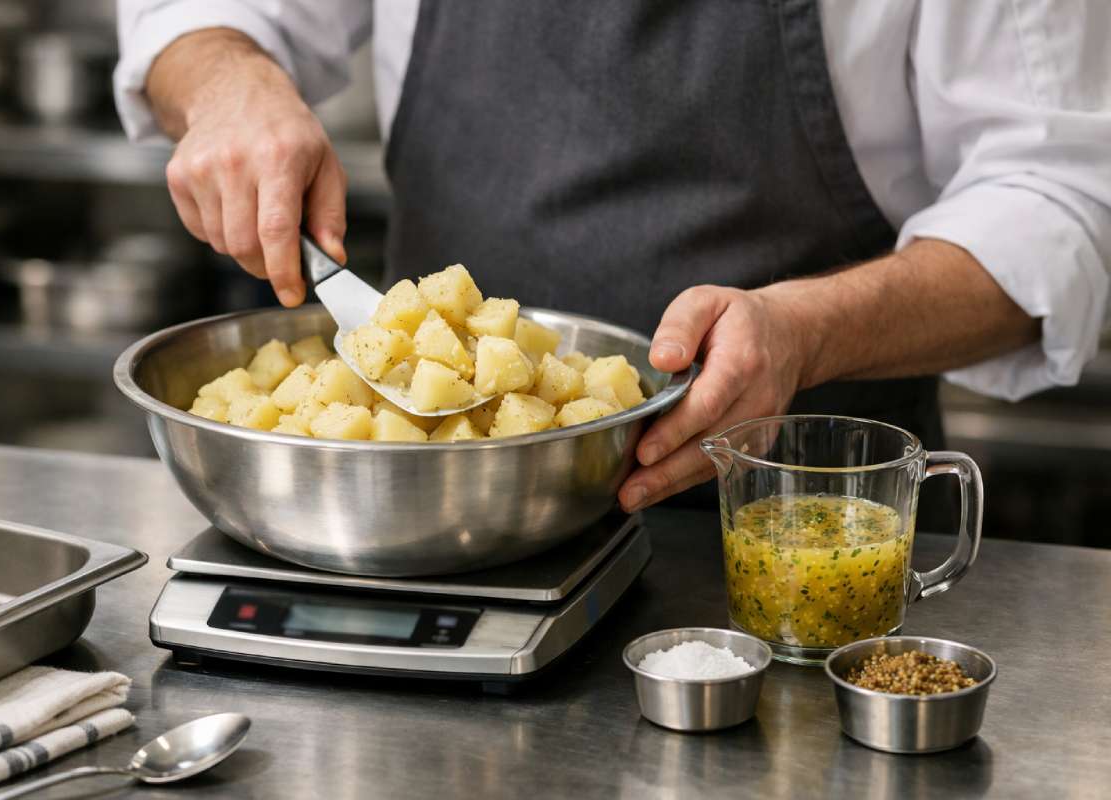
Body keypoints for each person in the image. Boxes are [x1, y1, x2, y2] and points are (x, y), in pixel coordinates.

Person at [115, 1, 1110, 515]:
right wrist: (228, 76)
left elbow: (1061, 192)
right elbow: (197, 18)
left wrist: (809, 333)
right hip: (426, 530)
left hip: (793, 532)